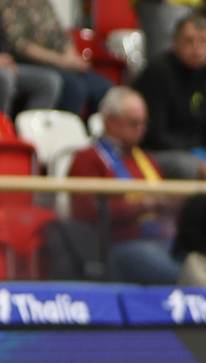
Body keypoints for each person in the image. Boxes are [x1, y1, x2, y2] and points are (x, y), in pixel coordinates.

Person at [67, 88, 177, 283]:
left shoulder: (148, 160)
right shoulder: (88, 159)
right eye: (134, 123)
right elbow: (86, 213)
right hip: (117, 246)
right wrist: (142, 206)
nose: (141, 130)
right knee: (177, 275)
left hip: (161, 241)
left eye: (144, 124)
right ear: (110, 121)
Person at [0, 0, 110, 117]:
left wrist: (71, 56)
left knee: (104, 87)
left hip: (59, 61)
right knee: (74, 87)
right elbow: (19, 44)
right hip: (34, 61)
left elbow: (60, 33)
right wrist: (62, 62)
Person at [135, 15, 206, 182]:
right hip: (160, 152)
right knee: (186, 168)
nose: (196, 48)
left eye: (203, 42)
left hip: (201, 153)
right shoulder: (158, 73)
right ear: (175, 43)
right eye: (189, 41)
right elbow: (154, 134)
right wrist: (196, 159)